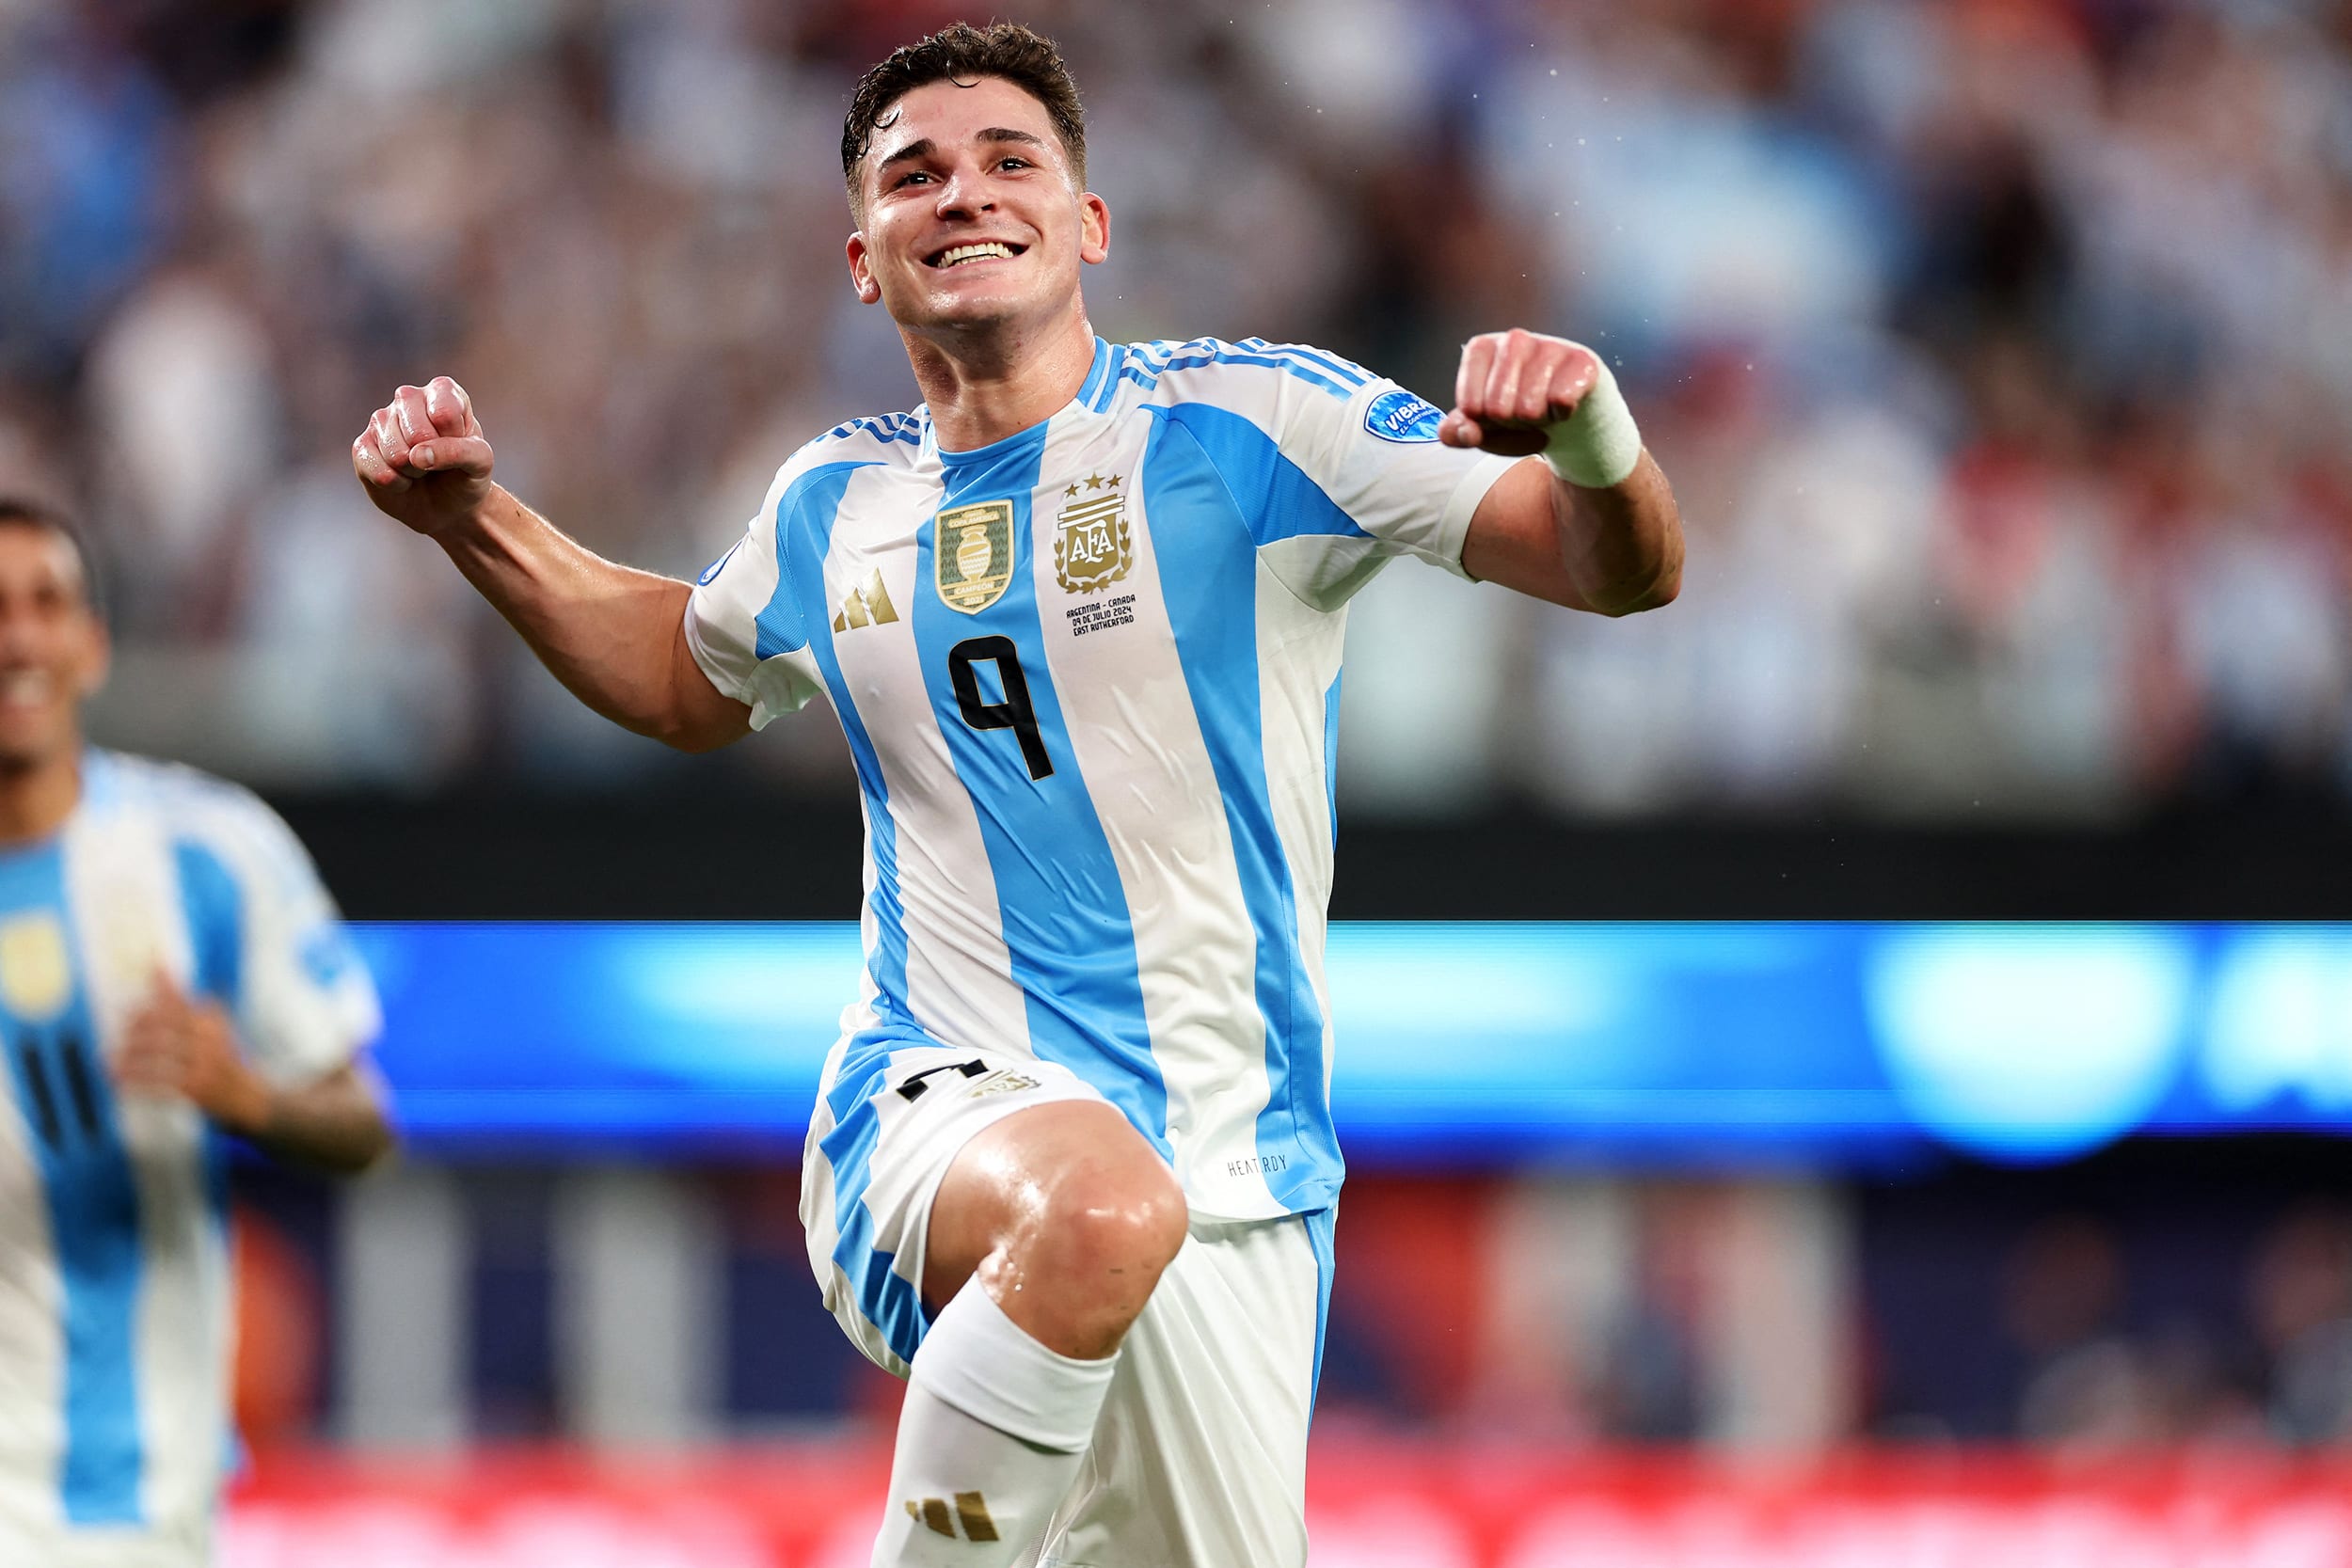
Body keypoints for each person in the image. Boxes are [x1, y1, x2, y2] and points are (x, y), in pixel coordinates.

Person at [352, 22, 1680, 1566]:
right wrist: (477, 522)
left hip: (1235, 1177)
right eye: (915, 174)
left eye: (1007, 161)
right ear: (864, 259)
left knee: (1125, 1246)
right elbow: (681, 672)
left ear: (1089, 222)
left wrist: (1593, 432)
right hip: (929, 1106)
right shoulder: (834, 501)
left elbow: (1615, 567)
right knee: (1098, 1203)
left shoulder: (1252, 427)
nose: (964, 194)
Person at [0, 498, 392, 1566]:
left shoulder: (206, 855)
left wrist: (245, 1094)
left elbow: (365, 1121)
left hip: (132, 1504)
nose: (18, 637)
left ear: (92, 645)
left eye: (45, 603)